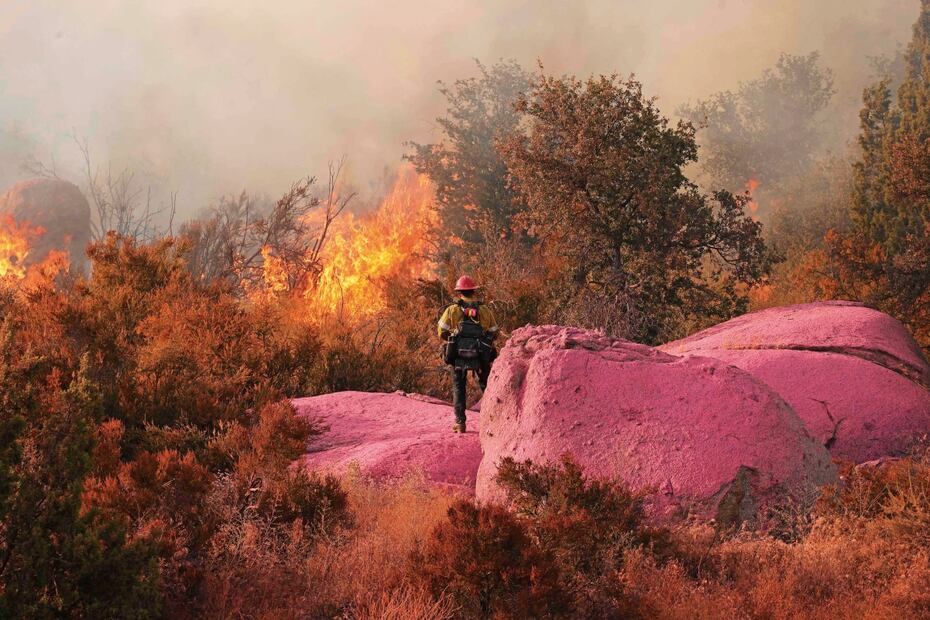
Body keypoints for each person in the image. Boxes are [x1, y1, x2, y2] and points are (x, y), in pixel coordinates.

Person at [437, 275, 499, 433]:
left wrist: (455, 340)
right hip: (480, 356)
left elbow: (441, 331)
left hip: (458, 357)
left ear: (459, 293)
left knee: (459, 387)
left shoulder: (452, 310)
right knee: (487, 386)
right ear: (474, 291)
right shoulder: (484, 310)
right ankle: (495, 420)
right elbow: (494, 332)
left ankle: (460, 423)